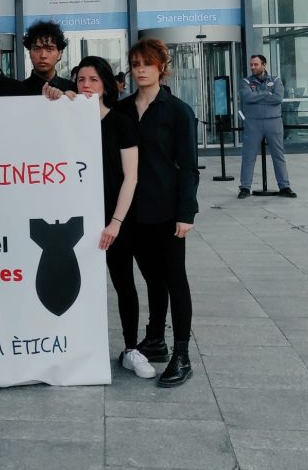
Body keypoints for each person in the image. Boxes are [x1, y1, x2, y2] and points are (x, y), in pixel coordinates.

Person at [115, 38, 199, 387]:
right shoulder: (122, 109)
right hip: (133, 212)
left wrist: (186, 213)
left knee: (174, 280)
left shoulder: (178, 110)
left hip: (166, 211)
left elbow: (189, 167)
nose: (140, 70)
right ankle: (155, 340)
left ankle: (182, 354)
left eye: (147, 63)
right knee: (151, 279)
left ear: (161, 67)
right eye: (135, 64)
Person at [74, 57, 152, 378]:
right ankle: (75, 348)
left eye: (93, 79)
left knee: (123, 284)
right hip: (76, 221)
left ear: (105, 84)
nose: (87, 85)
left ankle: (131, 348)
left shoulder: (121, 122)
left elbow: (130, 178)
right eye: (80, 80)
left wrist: (115, 223)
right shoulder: (68, 121)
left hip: (115, 220)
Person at [238, 54, 296, 199]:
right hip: (253, 123)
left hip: (273, 122)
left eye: (256, 64)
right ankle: (245, 187)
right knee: (248, 156)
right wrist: (266, 93)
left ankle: (284, 186)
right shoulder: (245, 81)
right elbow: (247, 97)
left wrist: (257, 96)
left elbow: (278, 98)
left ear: (264, 65)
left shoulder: (275, 80)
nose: (252, 67)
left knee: (278, 155)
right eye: (251, 64)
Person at [21, 20, 76, 95]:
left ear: (60, 53)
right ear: (29, 52)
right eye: (37, 49)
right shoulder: (18, 91)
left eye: (49, 49)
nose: (43, 55)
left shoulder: (73, 89)